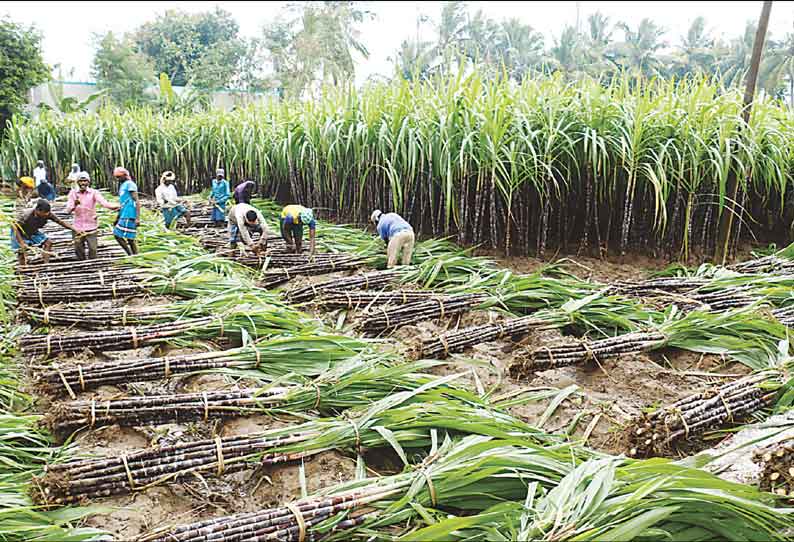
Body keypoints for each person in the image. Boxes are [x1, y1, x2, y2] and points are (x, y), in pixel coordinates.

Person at [64, 171, 120, 260]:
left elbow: (104, 203)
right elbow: (68, 210)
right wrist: (74, 205)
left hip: (91, 226)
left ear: (88, 182)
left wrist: (118, 206)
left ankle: (92, 265)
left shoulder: (93, 193)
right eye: (81, 181)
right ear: (77, 182)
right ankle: (82, 266)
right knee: (78, 249)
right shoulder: (73, 193)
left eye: (85, 181)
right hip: (77, 227)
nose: (83, 183)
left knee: (93, 249)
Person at [10, 199, 83, 266]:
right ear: (38, 210)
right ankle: (23, 269)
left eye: (48, 212)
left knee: (48, 243)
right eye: (45, 213)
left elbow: (60, 222)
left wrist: (74, 229)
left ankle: (46, 265)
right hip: (19, 232)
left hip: (32, 231)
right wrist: (21, 242)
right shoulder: (26, 215)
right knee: (21, 251)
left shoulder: (48, 214)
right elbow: (14, 226)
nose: (47, 214)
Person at [112, 166, 141, 255]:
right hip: (124, 214)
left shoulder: (130, 184)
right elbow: (123, 203)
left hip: (130, 214)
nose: (118, 179)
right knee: (129, 238)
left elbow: (136, 201)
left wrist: (137, 218)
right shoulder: (122, 186)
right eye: (116, 177)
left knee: (120, 235)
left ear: (125, 175)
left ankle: (132, 254)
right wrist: (118, 217)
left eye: (119, 177)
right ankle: (133, 255)